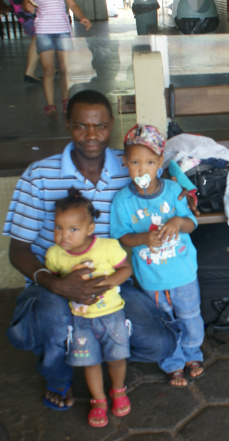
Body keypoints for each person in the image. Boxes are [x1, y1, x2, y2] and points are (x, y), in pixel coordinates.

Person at [3, 89, 177, 411]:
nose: (91, 135)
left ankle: (95, 349)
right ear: (68, 125)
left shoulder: (130, 168)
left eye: (99, 126)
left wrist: (183, 205)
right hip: (52, 285)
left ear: (111, 125)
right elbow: (19, 251)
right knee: (52, 319)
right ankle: (58, 375)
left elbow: (163, 189)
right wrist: (57, 284)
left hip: (112, 284)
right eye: (81, 126)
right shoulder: (39, 175)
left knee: (161, 345)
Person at [111, 124, 204, 388]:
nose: (142, 169)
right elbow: (122, 236)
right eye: (135, 162)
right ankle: (172, 362)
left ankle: (192, 354)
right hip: (152, 278)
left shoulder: (174, 192)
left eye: (150, 162)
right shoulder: (123, 201)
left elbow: (191, 224)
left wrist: (177, 221)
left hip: (183, 273)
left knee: (190, 315)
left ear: (160, 163)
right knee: (164, 320)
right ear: (125, 163)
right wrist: (143, 239)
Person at [45, 189, 132, 427]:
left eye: (73, 229)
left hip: (112, 315)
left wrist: (104, 284)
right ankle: (99, 400)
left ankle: (118, 389)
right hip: (80, 320)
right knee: (90, 361)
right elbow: (55, 281)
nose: (64, 235)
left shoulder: (108, 247)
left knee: (116, 358)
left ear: (89, 229)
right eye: (58, 228)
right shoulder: (54, 255)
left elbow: (126, 269)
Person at [22, 0, 92, 115]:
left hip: (62, 31)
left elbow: (72, 5)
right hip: (43, 32)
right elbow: (26, 4)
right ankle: (51, 105)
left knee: (64, 69)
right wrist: (27, 7)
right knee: (48, 70)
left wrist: (82, 17)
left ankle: (66, 101)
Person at [9, 0, 41, 83]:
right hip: (26, 3)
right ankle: (29, 72)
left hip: (20, 4)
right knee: (39, 34)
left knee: (39, 34)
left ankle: (49, 66)